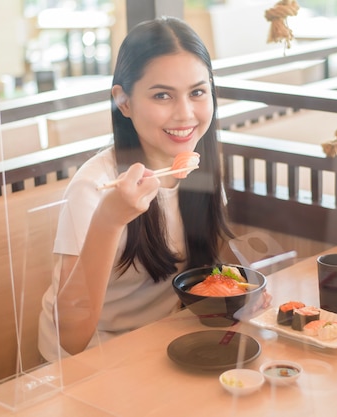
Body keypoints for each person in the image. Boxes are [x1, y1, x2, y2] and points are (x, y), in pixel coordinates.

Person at [38, 16, 233, 359]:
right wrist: (110, 219)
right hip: (92, 355)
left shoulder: (198, 166)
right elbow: (70, 337)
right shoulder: (94, 187)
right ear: (124, 102)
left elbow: (203, 275)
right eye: (162, 96)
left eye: (198, 92)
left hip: (164, 341)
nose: (185, 114)